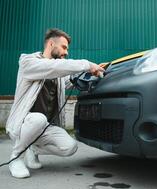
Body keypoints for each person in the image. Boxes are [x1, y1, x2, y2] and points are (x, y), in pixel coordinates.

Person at [5, 28, 105, 178]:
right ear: (51, 44)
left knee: (70, 147)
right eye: (64, 47)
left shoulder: (58, 75)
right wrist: (87, 64)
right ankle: (16, 158)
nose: (66, 52)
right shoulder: (28, 62)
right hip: (23, 124)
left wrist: (92, 73)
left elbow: (70, 79)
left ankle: (32, 149)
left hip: (44, 128)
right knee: (38, 118)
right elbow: (53, 67)